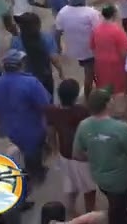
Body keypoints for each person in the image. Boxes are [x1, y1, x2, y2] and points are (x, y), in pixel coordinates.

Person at [74, 89, 127, 224]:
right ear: (107, 104)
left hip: (99, 178)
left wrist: (95, 156)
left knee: (114, 204)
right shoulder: (122, 128)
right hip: (119, 181)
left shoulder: (83, 126)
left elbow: (77, 154)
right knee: (119, 211)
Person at [0, 50, 52, 183]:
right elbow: (45, 105)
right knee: (33, 153)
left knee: (21, 152)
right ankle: (35, 174)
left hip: (9, 129)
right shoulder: (31, 82)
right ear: (21, 64)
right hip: (32, 128)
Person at [44, 79, 94, 217]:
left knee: (71, 184)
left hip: (65, 154)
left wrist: (55, 150)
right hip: (82, 156)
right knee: (89, 188)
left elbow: (51, 132)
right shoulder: (83, 111)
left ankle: (71, 209)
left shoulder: (52, 111)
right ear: (76, 96)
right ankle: (90, 214)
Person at [55, 0, 102, 97]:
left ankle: (94, 84)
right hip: (89, 50)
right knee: (89, 73)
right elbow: (99, 31)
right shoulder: (91, 13)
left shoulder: (62, 12)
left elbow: (57, 32)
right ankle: (88, 96)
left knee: (89, 69)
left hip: (73, 48)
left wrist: (58, 47)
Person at [11, 11, 62, 95]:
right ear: (39, 25)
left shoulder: (16, 41)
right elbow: (54, 59)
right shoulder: (47, 38)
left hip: (26, 81)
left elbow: (15, 63)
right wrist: (61, 72)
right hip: (45, 79)